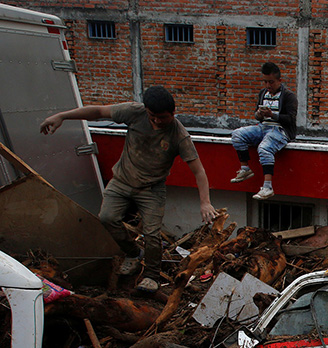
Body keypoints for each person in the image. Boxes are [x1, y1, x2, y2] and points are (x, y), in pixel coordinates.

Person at [40, 86, 218, 293]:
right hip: (121, 181)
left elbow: (199, 171)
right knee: (107, 217)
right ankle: (133, 253)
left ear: (172, 113)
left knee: (152, 235)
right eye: (152, 116)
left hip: (151, 189)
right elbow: (98, 111)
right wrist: (62, 116)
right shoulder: (134, 112)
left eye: (162, 117)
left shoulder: (179, 135)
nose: (157, 121)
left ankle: (151, 276)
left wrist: (205, 202)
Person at [229, 62, 298, 200]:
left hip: (280, 130)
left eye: (271, 82)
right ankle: (245, 169)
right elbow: (256, 116)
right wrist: (259, 114)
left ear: (279, 80)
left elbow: (291, 119)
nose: (268, 85)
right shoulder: (263, 93)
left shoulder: (288, 96)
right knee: (237, 135)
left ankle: (267, 187)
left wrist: (272, 115)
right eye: (265, 82)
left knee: (264, 148)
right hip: (262, 127)